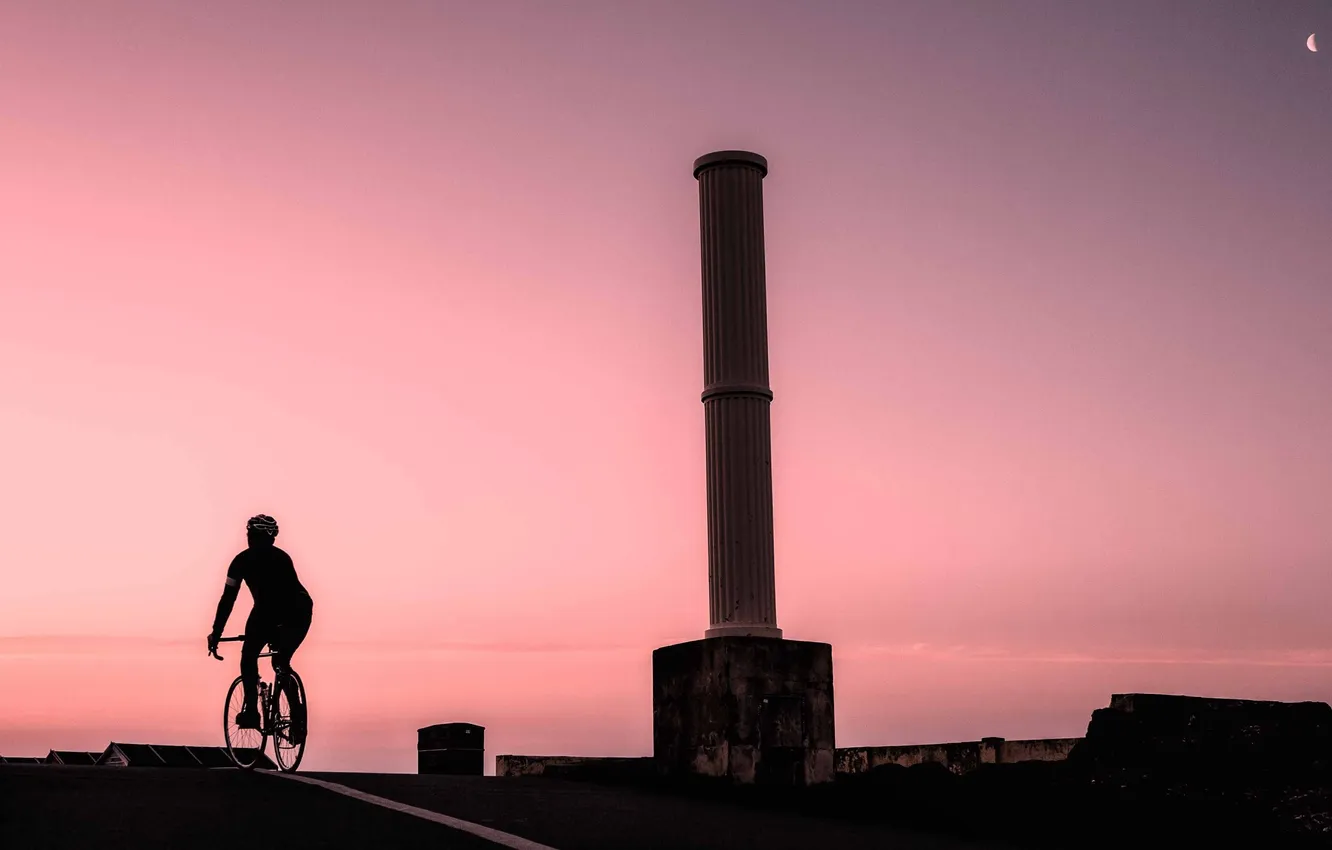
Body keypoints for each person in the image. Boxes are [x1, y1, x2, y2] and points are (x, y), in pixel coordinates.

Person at [207, 514, 313, 737]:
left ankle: (252, 712)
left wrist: (216, 633)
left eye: (250, 534)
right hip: (299, 611)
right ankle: (297, 722)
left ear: (254, 537)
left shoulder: (241, 561)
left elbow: (228, 599)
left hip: (272, 611)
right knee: (281, 662)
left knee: (248, 657)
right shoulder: (282, 557)